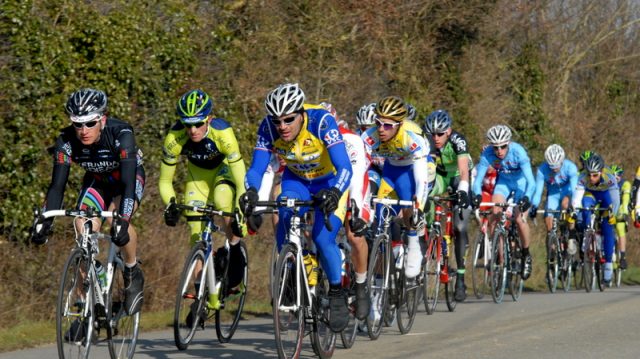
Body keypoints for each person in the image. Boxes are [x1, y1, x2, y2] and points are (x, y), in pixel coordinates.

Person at [240, 83, 352, 332]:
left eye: (289, 120)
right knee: (283, 210)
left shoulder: (321, 122)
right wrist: (250, 192)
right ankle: (291, 268)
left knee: (324, 240)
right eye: (277, 121)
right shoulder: (268, 128)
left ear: (301, 114)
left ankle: (336, 292)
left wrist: (334, 192)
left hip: (330, 182)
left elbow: (346, 167)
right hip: (297, 181)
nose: (282, 127)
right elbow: (257, 168)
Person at [30, 88, 146, 323]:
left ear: (102, 119)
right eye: (77, 124)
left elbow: (127, 184)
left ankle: (132, 270)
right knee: (81, 224)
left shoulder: (121, 133)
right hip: (97, 182)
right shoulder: (66, 141)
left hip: (126, 180)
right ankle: (91, 296)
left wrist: (123, 220)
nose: (83, 131)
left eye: (90, 123)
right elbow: (57, 187)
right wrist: (45, 220)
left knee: (116, 222)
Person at [159, 89, 247, 314]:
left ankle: (234, 249)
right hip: (197, 179)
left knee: (223, 200)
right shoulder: (174, 138)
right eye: (187, 125)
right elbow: (165, 180)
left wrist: (240, 208)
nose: (192, 130)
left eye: (198, 124)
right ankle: (200, 296)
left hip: (223, 172)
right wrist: (170, 204)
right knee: (196, 235)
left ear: (209, 118)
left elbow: (239, 175)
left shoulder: (223, 132)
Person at [361, 96, 433, 280]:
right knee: (379, 220)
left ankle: (414, 243)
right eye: (378, 123)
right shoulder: (369, 137)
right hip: (391, 171)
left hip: (412, 170)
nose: (381, 129)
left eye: (387, 125)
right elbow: (359, 170)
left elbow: (421, 179)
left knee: (410, 205)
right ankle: (379, 284)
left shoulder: (412, 137)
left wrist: (419, 205)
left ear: (400, 124)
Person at [472, 125, 536, 280]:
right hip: (503, 185)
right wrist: (477, 195)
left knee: (519, 219)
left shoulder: (518, 152)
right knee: (495, 212)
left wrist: (527, 198)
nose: (499, 150)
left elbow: (531, 182)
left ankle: (526, 254)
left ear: (508, 143)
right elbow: (477, 180)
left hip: (522, 185)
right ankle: (499, 258)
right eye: (496, 147)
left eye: (503, 146)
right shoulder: (488, 154)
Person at [423, 109, 473, 301]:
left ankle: (460, 276)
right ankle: (427, 230)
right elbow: (425, 171)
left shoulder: (458, 141)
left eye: (440, 134)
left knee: (460, 226)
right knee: (424, 194)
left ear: (449, 131)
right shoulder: (426, 142)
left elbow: (463, 171)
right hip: (440, 176)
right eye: (432, 134)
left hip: (458, 177)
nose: (436, 138)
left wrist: (462, 191)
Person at [571, 154, 620, 285]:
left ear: (601, 172)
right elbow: (577, 197)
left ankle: (608, 265)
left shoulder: (609, 177)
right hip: (590, 194)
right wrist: (575, 211)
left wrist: (613, 215)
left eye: (595, 175)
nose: (591, 178)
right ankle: (588, 235)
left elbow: (615, 198)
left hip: (606, 197)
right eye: (589, 175)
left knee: (607, 228)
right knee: (585, 208)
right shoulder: (583, 177)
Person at [529, 144, 579, 259]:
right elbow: (538, 191)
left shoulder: (570, 167)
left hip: (568, 192)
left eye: (557, 166)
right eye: (551, 166)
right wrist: (534, 206)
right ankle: (551, 249)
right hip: (553, 194)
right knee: (548, 218)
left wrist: (574, 205)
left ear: (562, 161)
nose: (554, 169)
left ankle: (571, 236)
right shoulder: (542, 170)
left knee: (566, 205)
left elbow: (575, 188)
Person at [610, 164, 630, 270]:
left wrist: (625, 213)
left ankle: (622, 257)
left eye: (616, 177)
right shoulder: (606, 183)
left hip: (621, 208)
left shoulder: (625, 184)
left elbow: (626, 200)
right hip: (610, 208)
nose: (615, 179)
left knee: (620, 228)